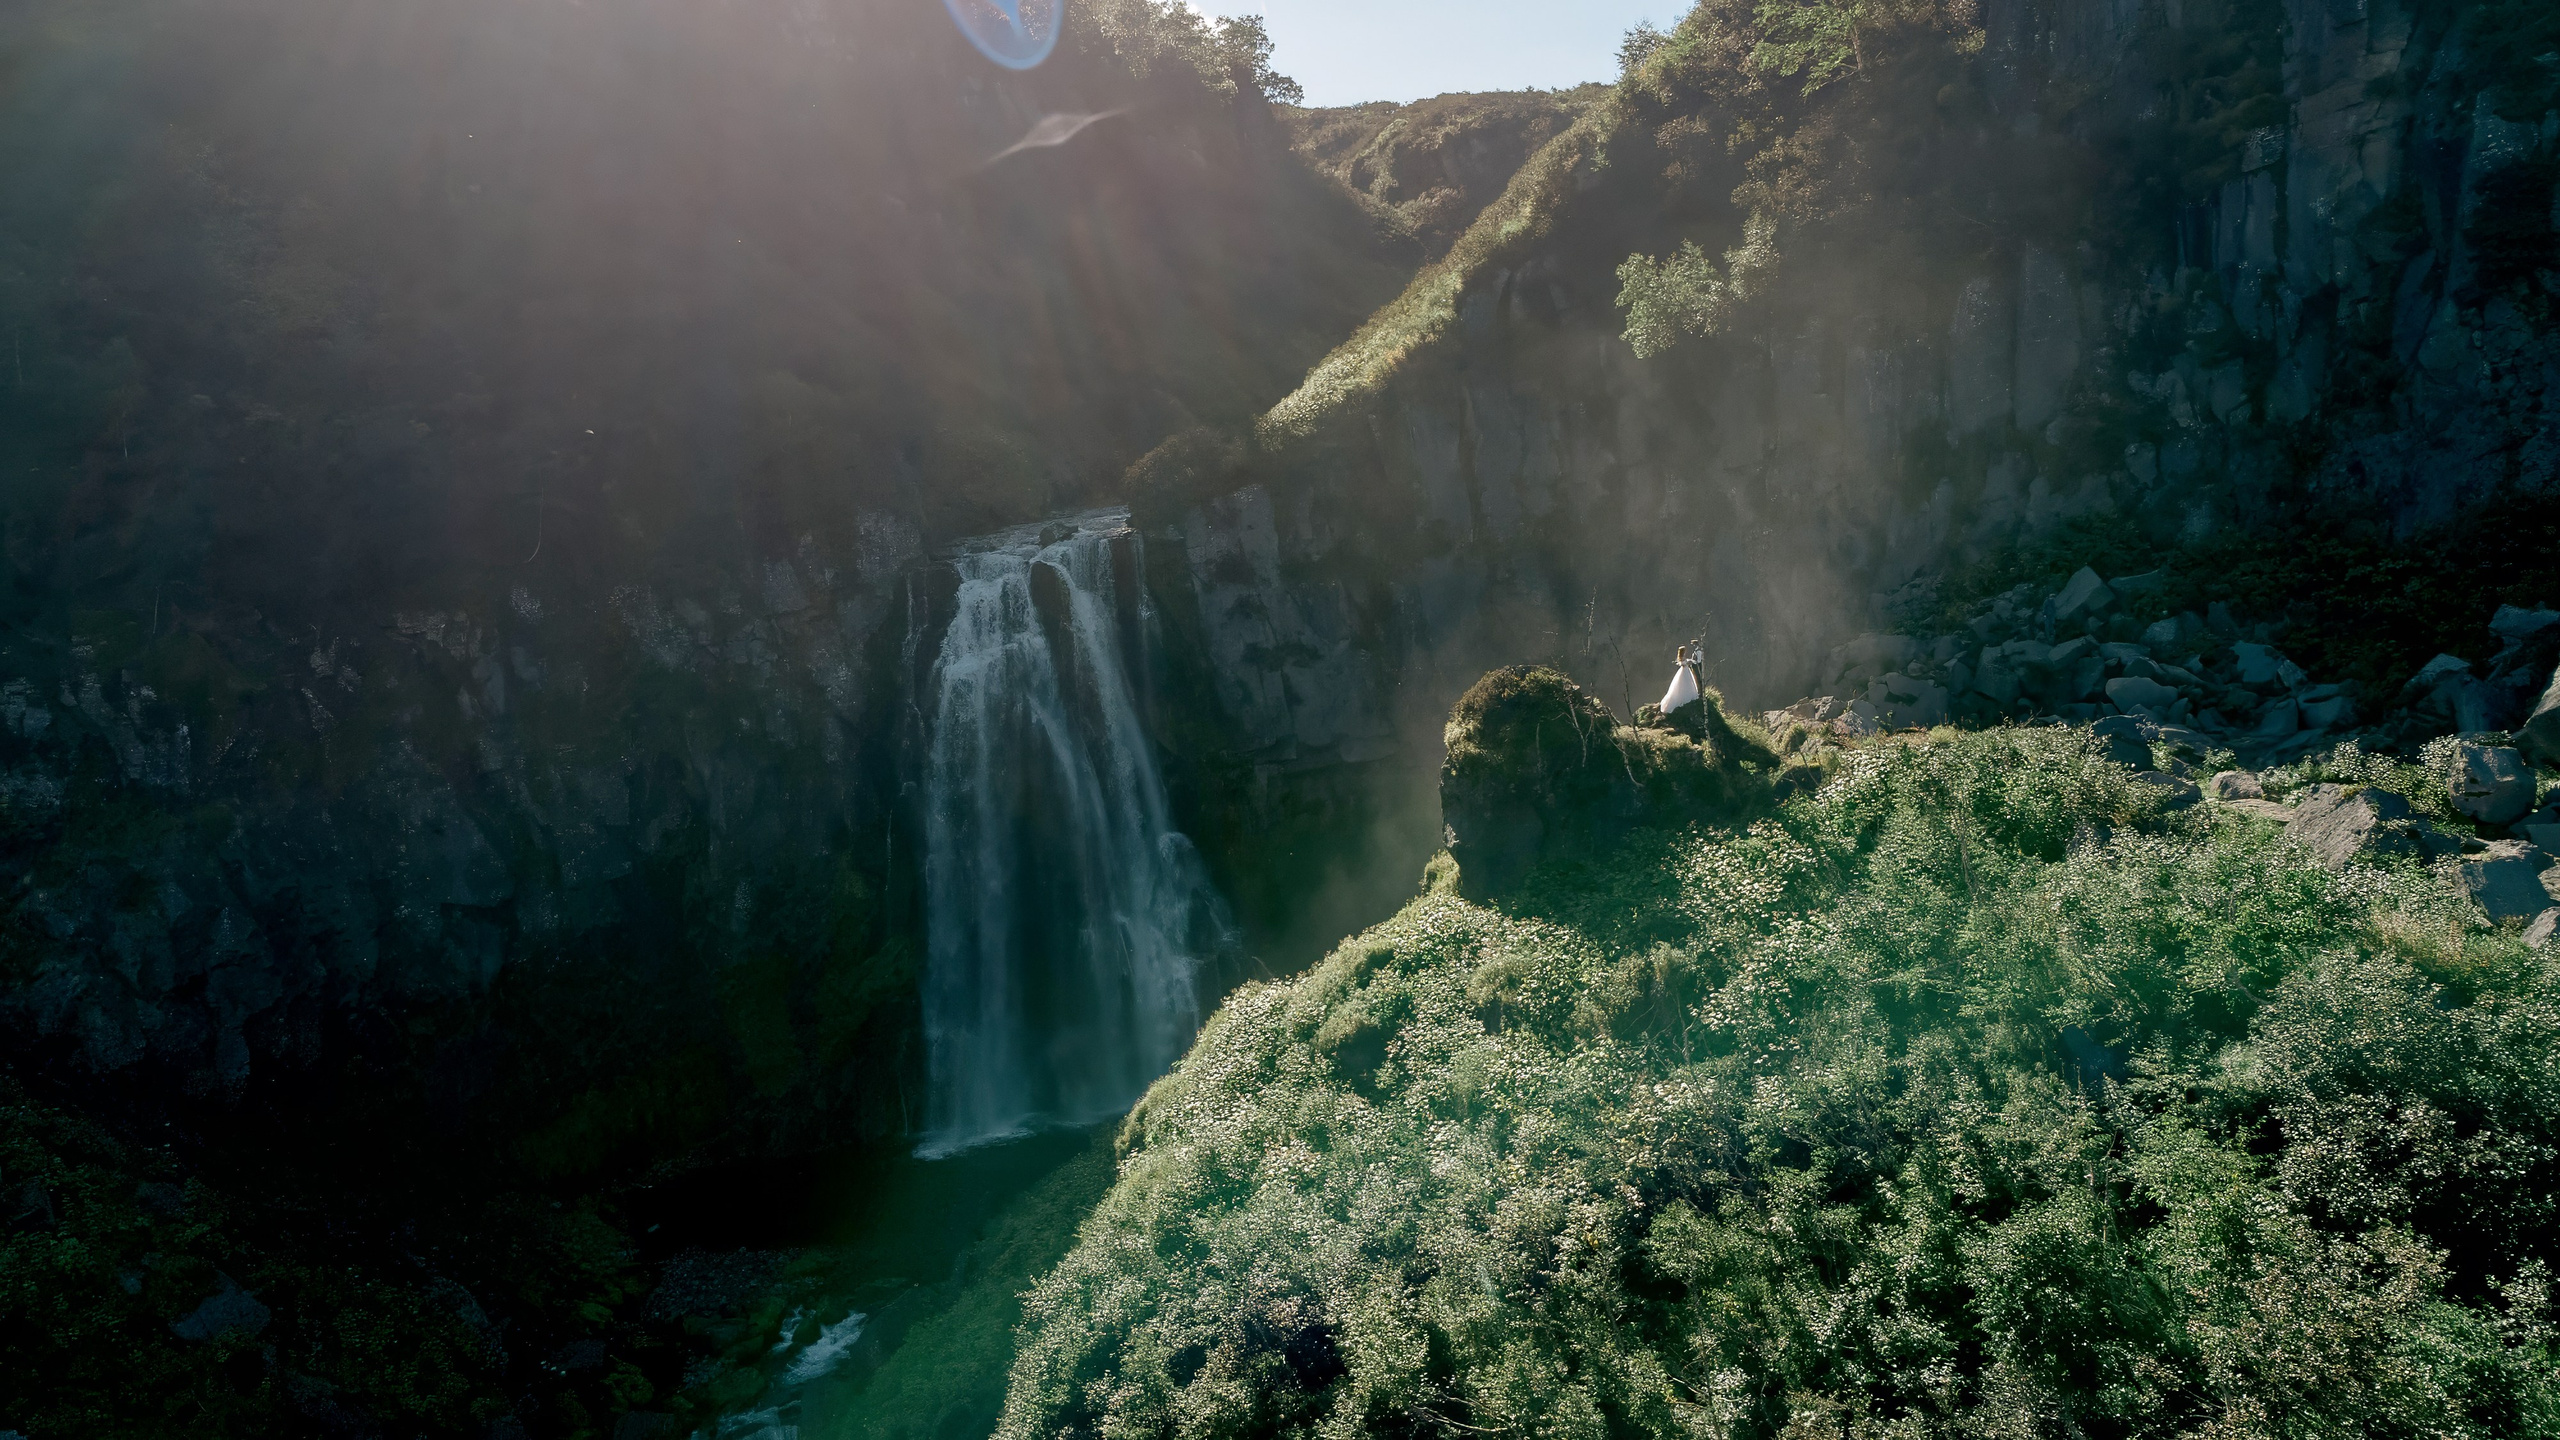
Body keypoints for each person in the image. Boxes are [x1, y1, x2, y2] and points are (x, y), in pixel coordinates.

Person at [1659, 645, 1701, 715]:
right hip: (1684, 671)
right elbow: (1683, 663)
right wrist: (1688, 661)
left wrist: (1689, 661)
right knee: (1683, 683)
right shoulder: (1681, 657)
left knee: (1688, 683)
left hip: (1686, 671)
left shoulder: (1683, 657)